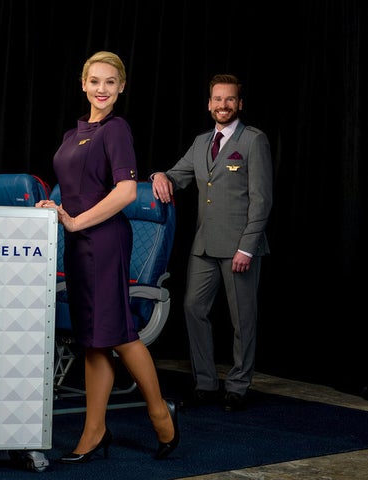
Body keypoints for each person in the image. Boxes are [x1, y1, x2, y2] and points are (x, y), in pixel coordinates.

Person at [36, 51, 179, 462]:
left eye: (110, 82)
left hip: (104, 240)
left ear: (121, 88)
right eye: (95, 81)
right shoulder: (72, 135)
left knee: (117, 333)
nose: (102, 89)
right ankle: (94, 430)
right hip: (78, 243)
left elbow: (126, 192)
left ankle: (158, 413)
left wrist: (77, 222)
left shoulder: (116, 130)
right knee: (94, 340)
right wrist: (54, 208)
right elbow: (74, 188)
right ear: (83, 84)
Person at [150, 74, 273, 412]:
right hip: (204, 245)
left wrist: (247, 247)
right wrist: (159, 176)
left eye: (229, 100)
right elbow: (177, 176)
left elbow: (262, 200)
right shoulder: (202, 141)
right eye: (217, 99)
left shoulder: (253, 141)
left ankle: (237, 386)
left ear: (239, 104)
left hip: (239, 247)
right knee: (193, 309)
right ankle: (205, 383)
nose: (223, 105)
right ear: (209, 104)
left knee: (242, 319)